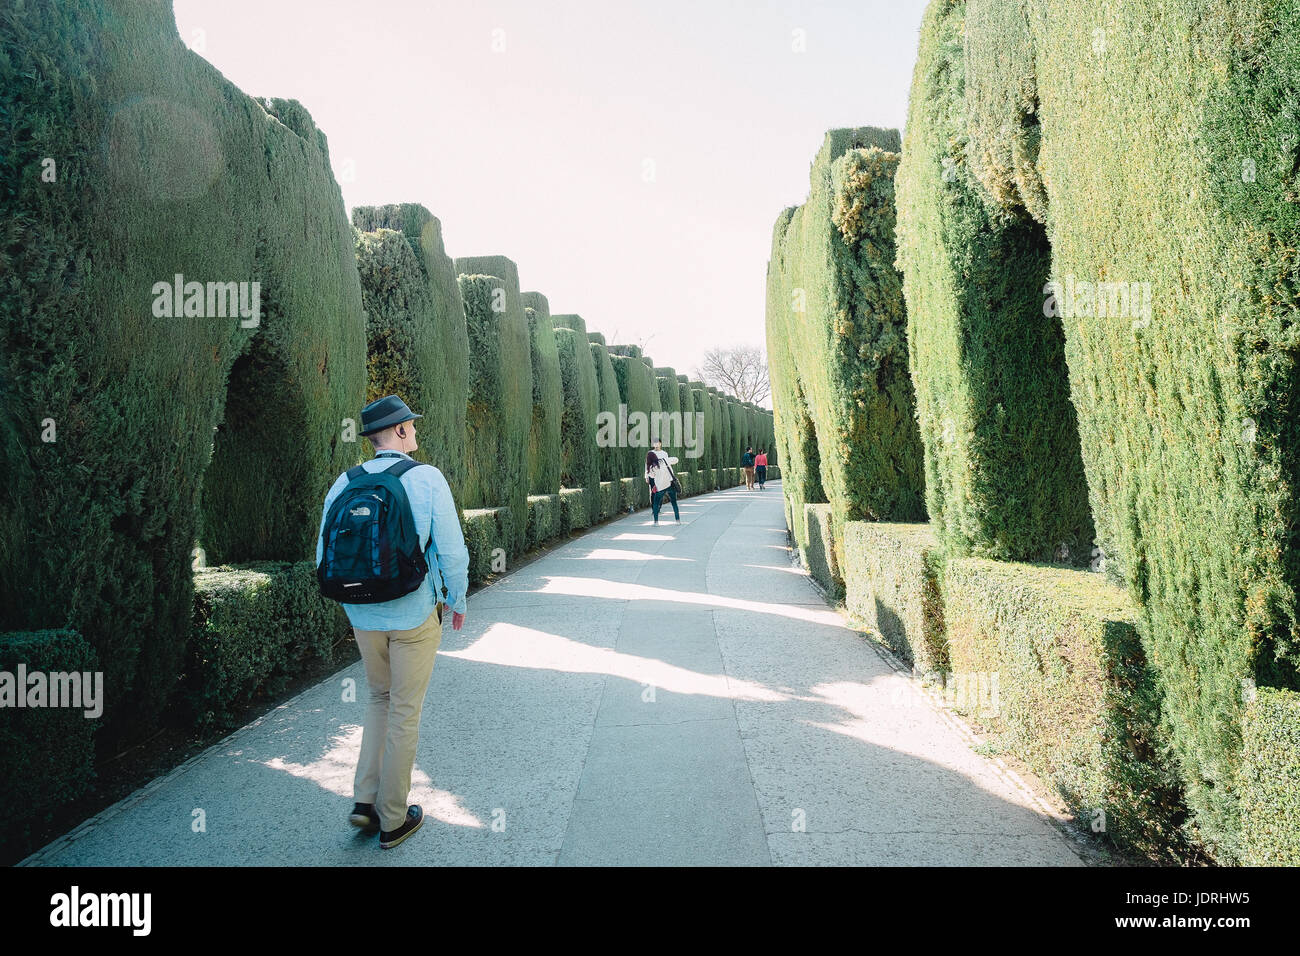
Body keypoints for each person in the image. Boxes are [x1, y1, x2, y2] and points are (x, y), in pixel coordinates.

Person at [316, 394, 469, 850]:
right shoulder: (426, 478)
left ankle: (364, 802)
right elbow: (452, 550)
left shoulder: (344, 481)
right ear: (399, 431)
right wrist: (457, 599)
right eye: (412, 426)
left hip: (362, 614)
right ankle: (393, 819)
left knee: (378, 699)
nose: (416, 432)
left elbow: (324, 555)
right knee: (404, 709)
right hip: (413, 612)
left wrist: (355, 605)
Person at [645, 437, 680, 525]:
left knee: (658, 500)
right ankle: (677, 520)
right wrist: (646, 476)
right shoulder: (651, 453)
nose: (656, 445)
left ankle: (656, 521)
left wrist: (650, 474)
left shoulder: (664, 453)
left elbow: (650, 468)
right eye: (654, 443)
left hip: (661, 481)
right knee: (673, 502)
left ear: (660, 444)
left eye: (657, 443)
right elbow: (647, 465)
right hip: (667, 480)